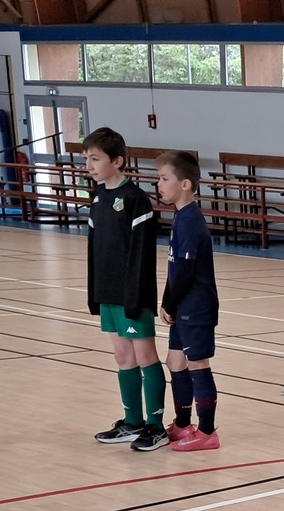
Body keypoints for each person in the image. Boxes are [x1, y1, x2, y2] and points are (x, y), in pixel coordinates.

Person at [83, 127, 167, 451]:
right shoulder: (98, 199)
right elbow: (94, 250)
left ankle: (156, 427)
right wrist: (94, 293)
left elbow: (141, 255)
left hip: (132, 294)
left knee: (145, 355)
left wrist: (135, 296)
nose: (89, 165)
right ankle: (133, 422)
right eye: (87, 159)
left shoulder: (135, 199)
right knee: (122, 356)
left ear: (117, 161)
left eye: (95, 159)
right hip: (107, 293)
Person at [155, 150, 222, 450]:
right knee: (175, 361)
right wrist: (166, 300)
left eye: (164, 178)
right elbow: (174, 268)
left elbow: (185, 271)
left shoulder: (191, 220)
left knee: (196, 363)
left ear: (185, 184)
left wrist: (170, 303)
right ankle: (183, 425)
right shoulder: (180, 216)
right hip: (182, 303)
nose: (159, 184)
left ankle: (207, 432)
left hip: (196, 306)